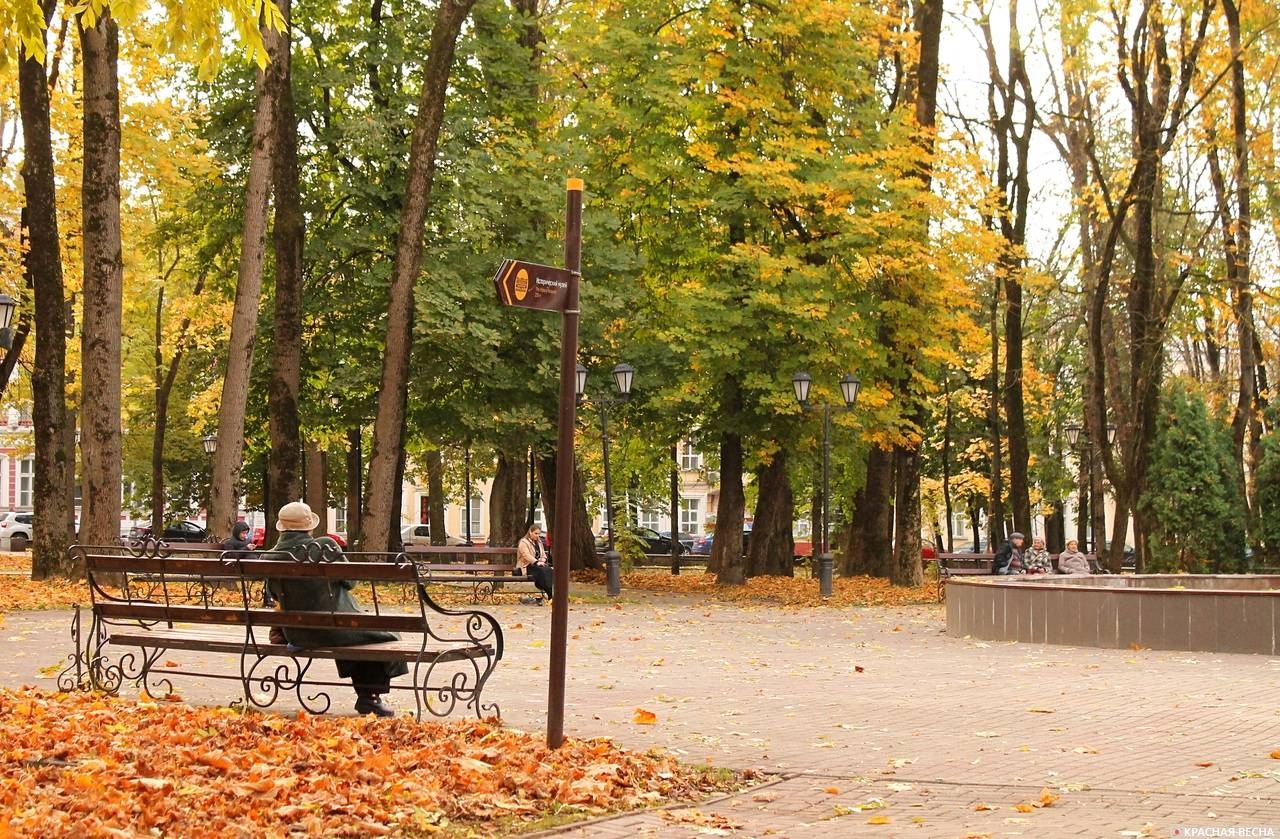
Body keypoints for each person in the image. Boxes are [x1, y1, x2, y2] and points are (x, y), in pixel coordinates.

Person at [265, 502, 407, 718]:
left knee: (360, 634)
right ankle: (369, 697)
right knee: (384, 635)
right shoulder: (324, 546)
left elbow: (274, 595)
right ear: (308, 526)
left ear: (282, 528)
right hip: (336, 628)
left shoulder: (270, 557)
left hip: (298, 633)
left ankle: (368, 698)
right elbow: (350, 582)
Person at [516, 523, 553, 604]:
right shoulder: (523, 542)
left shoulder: (539, 542)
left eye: (539, 534)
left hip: (539, 565)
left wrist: (542, 560)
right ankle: (550, 595)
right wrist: (536, 562)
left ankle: (550, 593)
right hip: (527, 566)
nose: (537, 535)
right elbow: (526, 555)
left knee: (549, 570)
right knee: (541, 572)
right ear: (530, 532)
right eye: (535, 533)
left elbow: (543, 554)